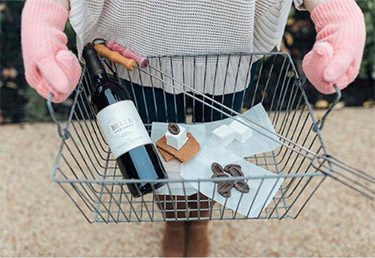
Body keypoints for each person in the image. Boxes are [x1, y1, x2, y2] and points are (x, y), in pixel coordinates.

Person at [21, 0, 366, 256]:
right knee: (154, 152)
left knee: (217, 149)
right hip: (135, 48)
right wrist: (44, 28)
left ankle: (198, 222)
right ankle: (175, 221)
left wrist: (339, 22)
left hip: (227, 48)